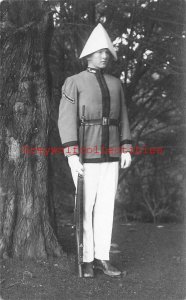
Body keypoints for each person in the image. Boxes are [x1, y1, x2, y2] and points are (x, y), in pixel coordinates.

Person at [58, 23, 132, 278]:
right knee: (85, 207)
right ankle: (86, 258)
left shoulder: (115, 83)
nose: (104, 56)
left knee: (105, 207)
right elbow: (65, 120)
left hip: (111, 155)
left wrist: (126, 147)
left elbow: (122, 117)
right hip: (85, 156)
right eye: (99, 51)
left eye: (107, 52)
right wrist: (72, 155)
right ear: (89, 53)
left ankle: (103, 256)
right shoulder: (74, 82)